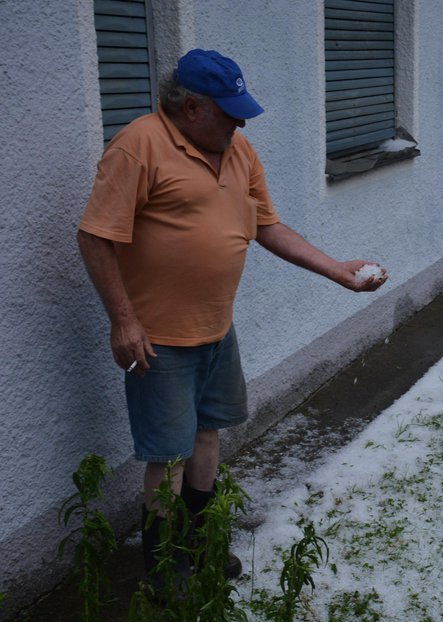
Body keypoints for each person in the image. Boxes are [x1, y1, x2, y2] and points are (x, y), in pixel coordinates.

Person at [76, 49, 387, 584]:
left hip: (217, 327)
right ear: (191, 108)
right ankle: (164, 565)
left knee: (208, 434)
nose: (241, 122)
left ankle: (201, 542)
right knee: (168, 458)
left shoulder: (238, 150)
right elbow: (95, 235)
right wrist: (123, 321)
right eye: (230, 112)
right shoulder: (138, 147)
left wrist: (336, 269)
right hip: (160, 339)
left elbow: (267, 226)